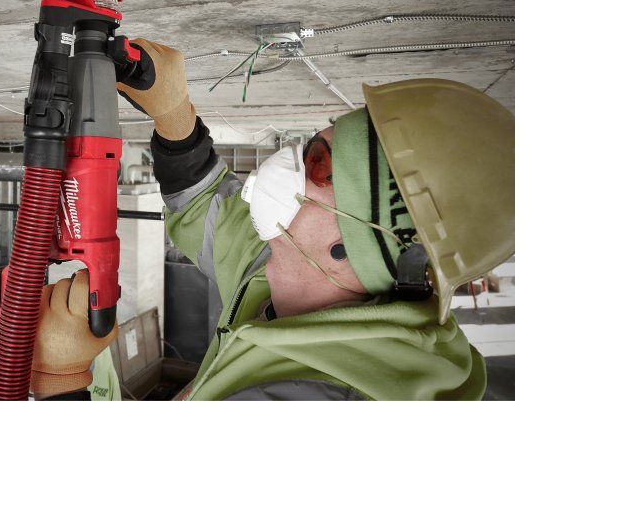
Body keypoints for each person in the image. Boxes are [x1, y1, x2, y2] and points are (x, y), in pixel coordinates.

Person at [29, 38, 515, 400]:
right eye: (310, 143)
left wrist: (61, 384)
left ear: (357, 246)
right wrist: (176, 118)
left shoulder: (313, 403)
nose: (291, 158)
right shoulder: (283, 271)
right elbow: (207, 209)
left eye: (317, 162)